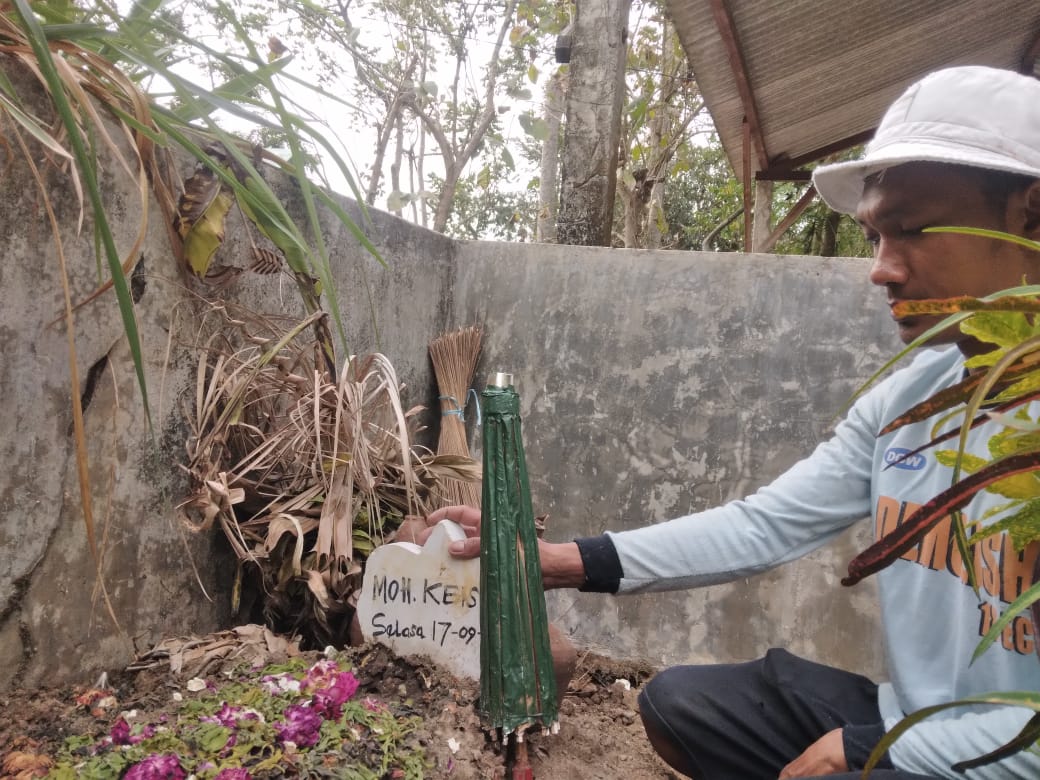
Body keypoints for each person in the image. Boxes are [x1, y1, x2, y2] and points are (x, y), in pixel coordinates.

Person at [402, 65, 1040, 779]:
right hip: (912, 717)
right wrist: (555, 562)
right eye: (873, 237)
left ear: (1031, 214)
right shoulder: (910, 397)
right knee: (683, 707)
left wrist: (867, 750)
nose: (881, 270)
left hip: (1009, 751)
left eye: (913, 230)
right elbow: (765, 524)